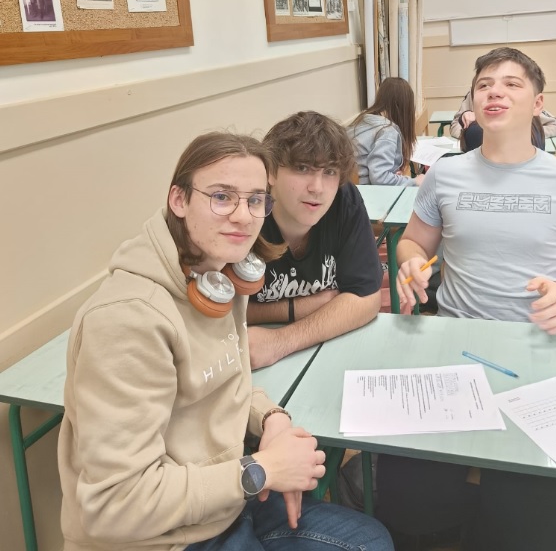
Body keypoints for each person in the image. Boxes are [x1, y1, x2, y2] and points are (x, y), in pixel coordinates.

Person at [57, 131, 393, 551]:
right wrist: (261, 470)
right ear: (179, 199)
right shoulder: (127, 321)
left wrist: (271, 418)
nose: (243, 216)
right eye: (221, 197)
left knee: (371, 539)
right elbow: (115, 505)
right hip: (166, 538)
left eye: (255, 201)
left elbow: (220, 379)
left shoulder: (216, 277)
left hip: (224, 504)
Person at [377, 47, 556, 551]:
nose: (496, 91)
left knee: (531, 520)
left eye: (512, 84)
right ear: (472, 104)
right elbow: (414, 243)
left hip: (538, 353)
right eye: (485, 84)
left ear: (538, 103)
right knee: (408, 497)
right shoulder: (446, 173)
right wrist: (410, 262)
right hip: (452, 348)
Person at [246, 111, 383, 370]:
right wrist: (298, 308)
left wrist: (281, 341)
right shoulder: (245, 212)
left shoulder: (344, 200)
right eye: (302, 168)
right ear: (271, 171)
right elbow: (217, 309)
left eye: (329, 171)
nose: (317, 188)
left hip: (330, 357)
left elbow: (367, 298)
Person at [347, 77, 424, 187]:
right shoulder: (387, 131)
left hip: (351, 189)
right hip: (367, 192)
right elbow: (380, 178)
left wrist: (393, 176)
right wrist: (414, 181)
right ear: (405, 108)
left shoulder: (362, 120)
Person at [450, 85, 556, 151]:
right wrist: (467, 126)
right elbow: (454, 126)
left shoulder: (520, 103)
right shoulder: (474, 95)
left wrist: (520, 132)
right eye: (485, 84)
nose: (494, 92)